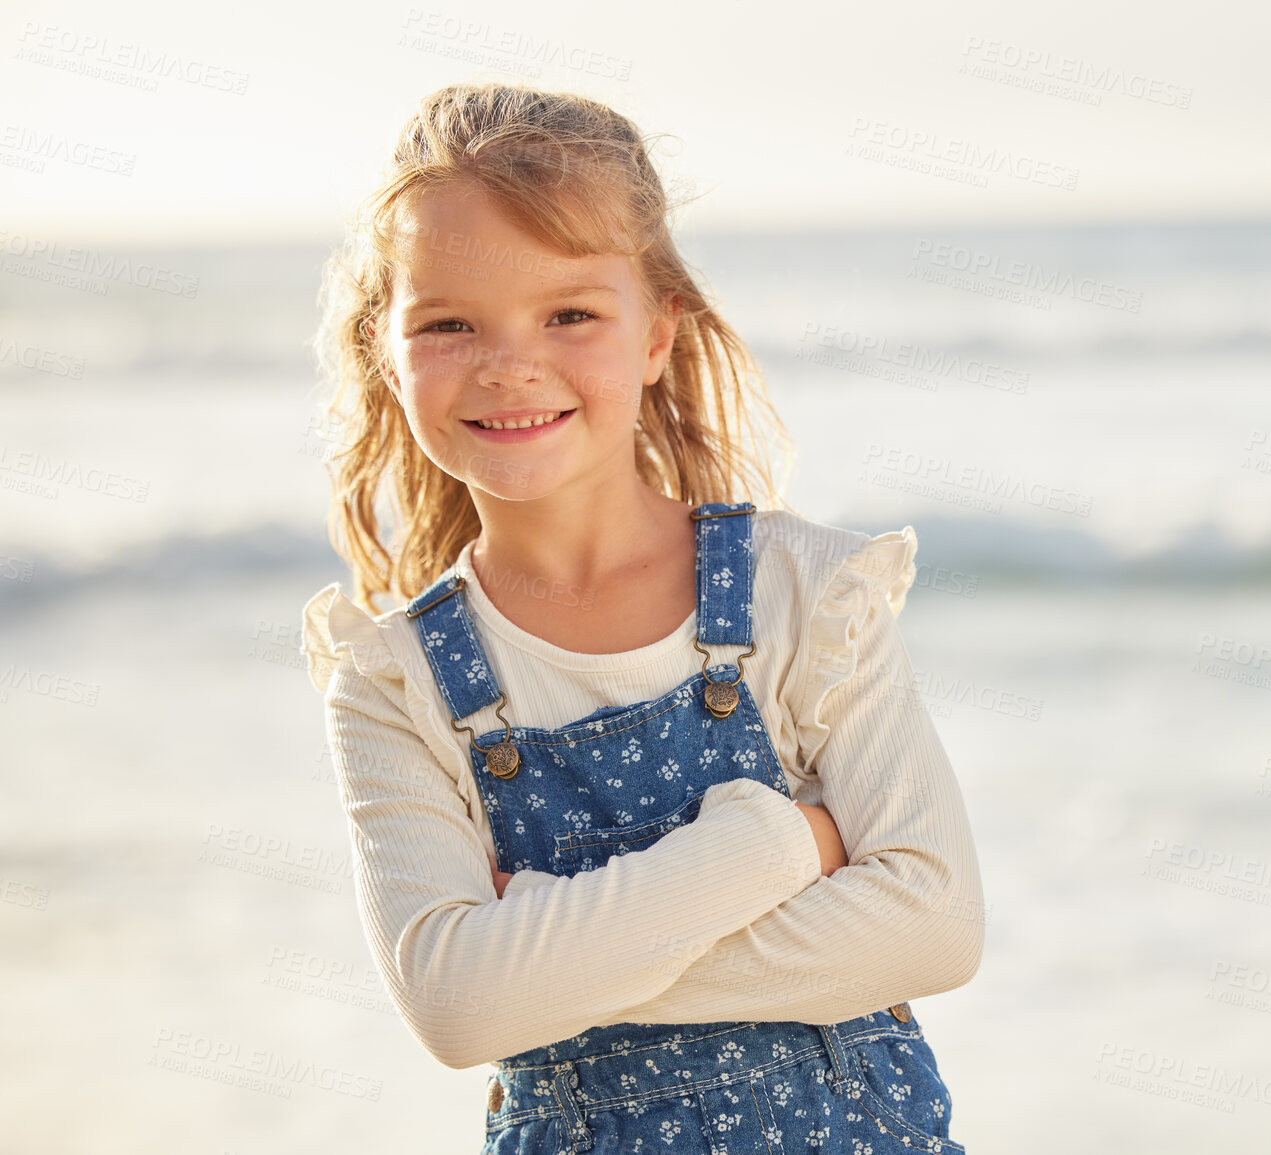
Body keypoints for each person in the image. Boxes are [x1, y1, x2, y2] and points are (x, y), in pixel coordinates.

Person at [299, 82, 984, 1153]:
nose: (510, 362)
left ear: (658, 333)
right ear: (387, 353)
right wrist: (772, 847)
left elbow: (935, 927)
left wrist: (547, 964)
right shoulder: (395, 683)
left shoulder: (803, 597)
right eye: (448, 324)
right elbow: (459, 1008)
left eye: (569, 313)